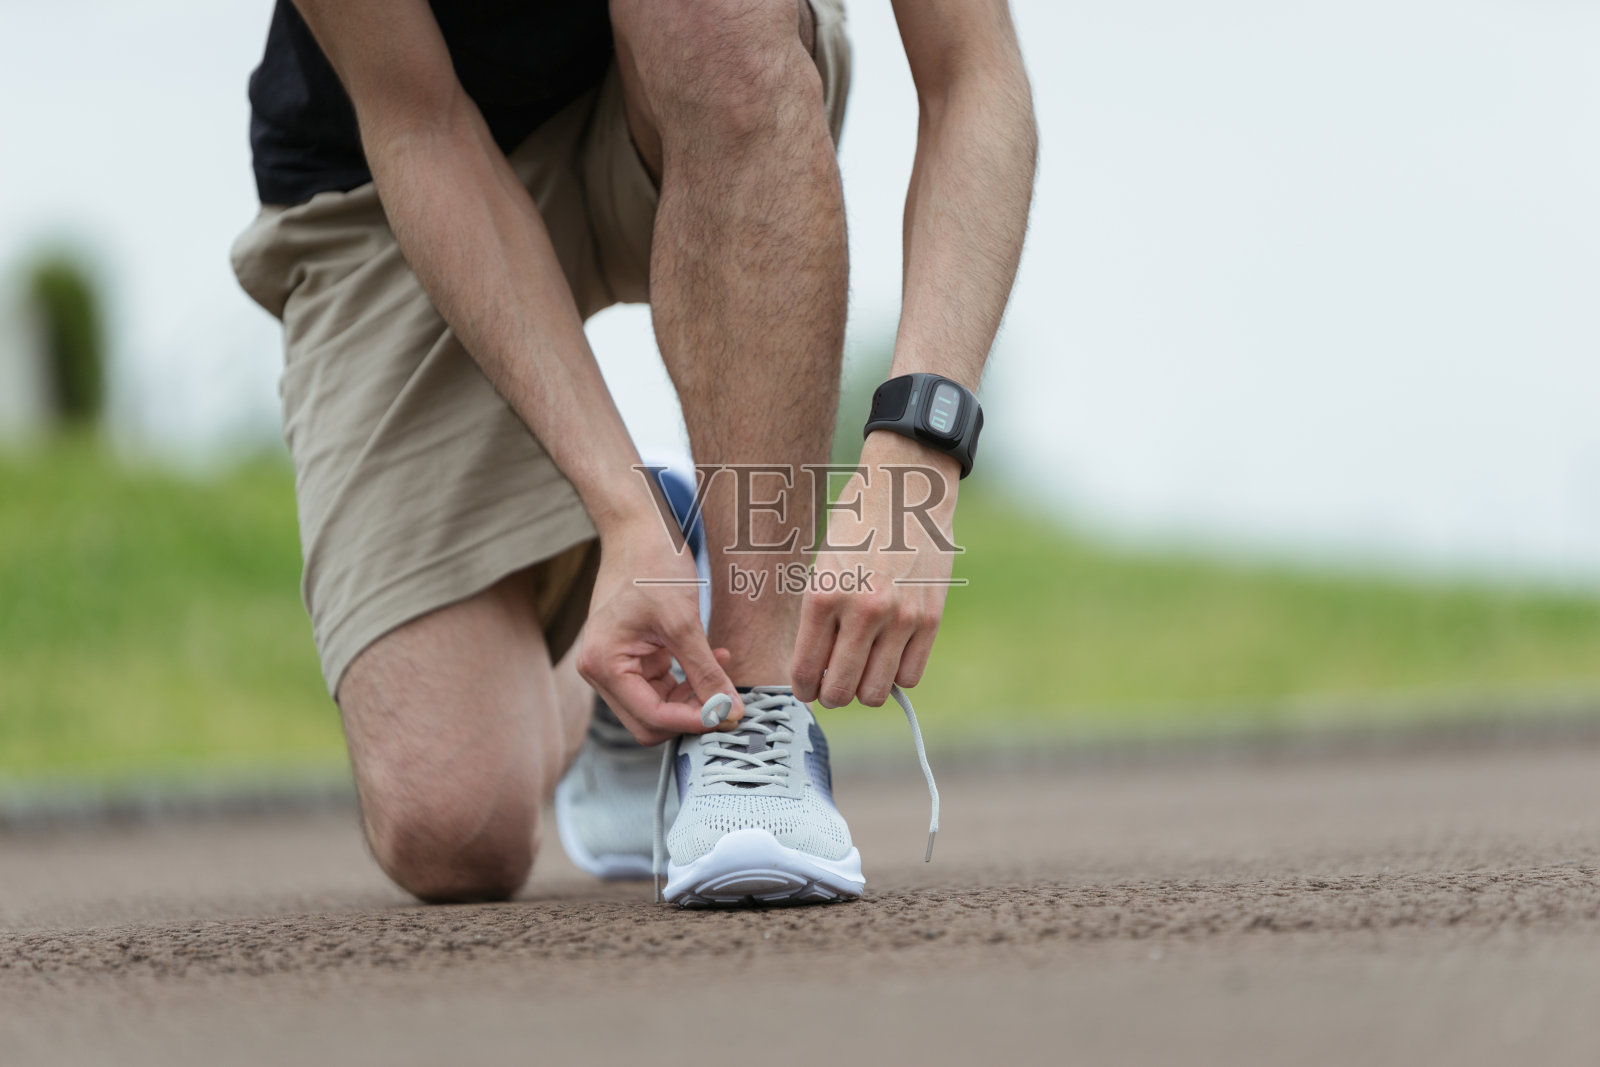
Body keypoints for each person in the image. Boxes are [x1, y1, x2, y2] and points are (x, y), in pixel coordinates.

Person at [231, 0, 1036, 906]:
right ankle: (659, 550)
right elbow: (421, 126)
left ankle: (749, 717)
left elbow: (972, 72)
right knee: (452, 826)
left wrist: (918, 454)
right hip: (396, 169)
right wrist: (619, 510)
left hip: (710, 79)